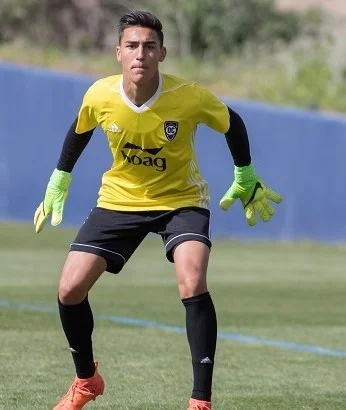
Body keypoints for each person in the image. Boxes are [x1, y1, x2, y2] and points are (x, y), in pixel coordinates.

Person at [34, 10, 282, 410]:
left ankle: (200, 401)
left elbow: (231, 122)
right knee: (69, 289)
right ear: (118, 52)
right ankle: (86, 381)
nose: (141, 54)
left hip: (181, 200)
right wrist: (59, 178)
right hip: (119, 200)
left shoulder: (189, 96)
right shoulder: (100, 95)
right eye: (132, 46)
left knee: (192, 280)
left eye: (150, 46)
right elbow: (79, 130)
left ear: (162, 53)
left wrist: (245, 173)